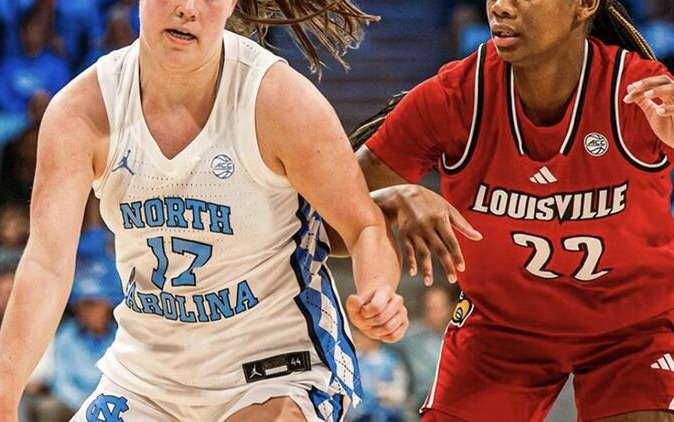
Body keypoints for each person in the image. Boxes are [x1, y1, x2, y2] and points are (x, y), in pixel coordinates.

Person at [0, 1, 410, 421]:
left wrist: (378, 289)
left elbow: (364, 226)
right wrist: (5, 394)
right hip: (145, 378)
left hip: (276, 371)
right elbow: (47, 264)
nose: (188, 9)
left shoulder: (278, 100)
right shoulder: (82, 110)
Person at [353, 0, 674, 420]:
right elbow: (329, 220)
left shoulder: (642, 93)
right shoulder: (455, 96)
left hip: (633, 331)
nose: (501, 6)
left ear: (584, 5)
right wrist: (393, 198)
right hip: (499, 332)